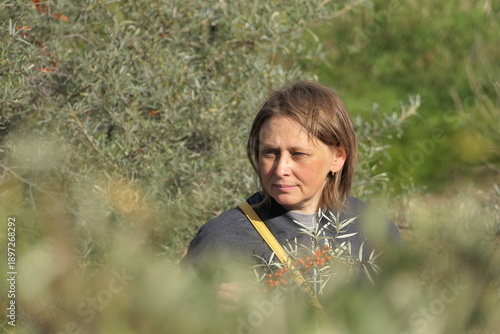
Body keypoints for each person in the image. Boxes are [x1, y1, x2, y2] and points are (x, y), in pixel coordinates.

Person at [181, 80, 404, 318]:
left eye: (298, 154)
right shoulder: (222, 239)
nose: (280, 169)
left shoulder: (375, 234)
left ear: (338, 158)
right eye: (270, 153)